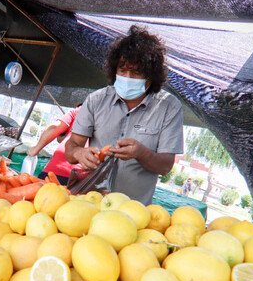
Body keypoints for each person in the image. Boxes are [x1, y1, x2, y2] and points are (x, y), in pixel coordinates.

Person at [65, 25, 183, 204]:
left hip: (134, 212)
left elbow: (166, 165)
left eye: (136, 73)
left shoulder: (169, 107)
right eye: (122, 70)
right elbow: (71, 147)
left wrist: (142, 153)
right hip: (89, 204)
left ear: (151, 77)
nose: (127, 78)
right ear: (114, 71)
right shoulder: (96, 100)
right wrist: (80, 153)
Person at [27, 103, 82, 185]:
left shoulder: (80, 110)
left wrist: (36, 149)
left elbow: (55, 127)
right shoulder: (105, 117)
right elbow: (61, 139)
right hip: (82, 180)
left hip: (57, 171)